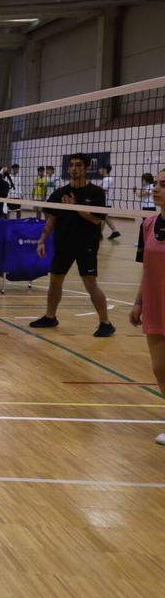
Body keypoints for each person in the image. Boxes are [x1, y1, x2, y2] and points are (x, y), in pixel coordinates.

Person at [30, 153, 115, 337]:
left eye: (78, 165)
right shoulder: (59, 193)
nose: (74, 168)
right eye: (71, 165)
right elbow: (51, 219)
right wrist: (42, 240)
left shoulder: (96, 193)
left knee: (90, 283)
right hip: (63, 243)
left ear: (86, 169)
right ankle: (50, 316)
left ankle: (105, 323)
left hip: (86, 245)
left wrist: (76, 208)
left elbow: (96, 221)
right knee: (55, 281)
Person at [130, 170, 165, 445]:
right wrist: (138, 302)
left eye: (163, 185)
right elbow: (146, 268)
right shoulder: (148, 224)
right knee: (160, 368)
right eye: (156, 184)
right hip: (155, 302)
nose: (156, 189)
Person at [98, 165, 120, 239]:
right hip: (107, 201)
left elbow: (104, 189)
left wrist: (94, 188)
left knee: (102, 218)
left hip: (106, 202)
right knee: (105, 217)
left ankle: (99, 234)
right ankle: (115, 231)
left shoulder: (107, 179)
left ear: (105, 169)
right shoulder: (106, 179)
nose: (99, 170)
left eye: (101, 168)